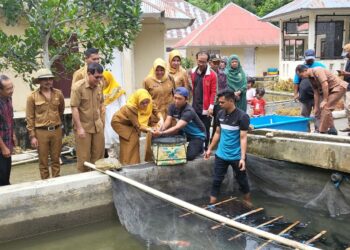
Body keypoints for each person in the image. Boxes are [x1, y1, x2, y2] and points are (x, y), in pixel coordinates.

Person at [204, 89, 251, 206]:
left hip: (236, 156)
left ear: (231, 101)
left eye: (222, 102)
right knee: (216, 180)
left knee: (242, 181)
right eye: (219, 102)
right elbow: (217, 133)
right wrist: (210, 149)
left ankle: (247, 200)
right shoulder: (220, 114)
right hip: (221, 154)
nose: (219, 105)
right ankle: (212, 203)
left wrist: (242, 158)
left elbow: (243, 138)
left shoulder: (242, 116)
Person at [26, 69, 65, 179]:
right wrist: (32, 136)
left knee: (56, 159)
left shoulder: (59, 93)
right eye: (44, 79)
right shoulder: (32, 97)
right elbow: (30, 117)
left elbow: (60, 110)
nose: (48, 81)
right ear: (39, 81)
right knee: (43, 161)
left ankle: (56, 180)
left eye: (50, 79)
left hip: (56, 130)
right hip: (41, 132)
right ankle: (45, 182)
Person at [153, 87, 206, 160]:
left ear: (186, 99)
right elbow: (168, 122)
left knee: (189, 157)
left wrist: (161, 133)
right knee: (163, 139)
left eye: (179, 99)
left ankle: (201, 149)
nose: (176, 101)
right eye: (175, 98)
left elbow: (176, 127)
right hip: (184, 132)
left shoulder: (189, 111)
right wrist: (160, 129)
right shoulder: (172, 107)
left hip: (197, 136)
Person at [111, 89, 162, 165]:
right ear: (137, 101)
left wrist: (161, 119)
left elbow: (156, 111)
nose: (145, 105)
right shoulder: (131, 107)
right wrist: (151, 129)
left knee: (135, 140)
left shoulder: (149, 101)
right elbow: (137, 125)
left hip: (131, 122)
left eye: (146, 102)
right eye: (142, 103)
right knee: (130, 142)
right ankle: (127, 165)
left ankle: (134, 163)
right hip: (121, 123)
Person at [70, 63, 105, 172]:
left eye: (101, 77)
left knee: (99, 157)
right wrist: (79, 128)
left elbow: (101, 103)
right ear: (89, 74)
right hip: (83, 127)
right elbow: (74, 108)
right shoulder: (78, 87)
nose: (99, 79)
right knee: (84, 159)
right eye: (96, 77)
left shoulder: (100, 86)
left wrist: (102, 122)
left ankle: (97, 180)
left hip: (97, 126)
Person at [296, 65, 348, 134]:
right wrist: (316, 107)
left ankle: (322, 132)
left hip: (339, 87)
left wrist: (325, 100)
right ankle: (332, 130)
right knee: (322, 109)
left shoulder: (317, 70)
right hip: (331, 90)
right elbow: (316, 93)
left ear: (305, 70)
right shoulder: (310, 78)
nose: (301, 78)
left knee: (326, 108)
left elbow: (325, 85)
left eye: (301, 75)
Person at [143, 58, 173, 161]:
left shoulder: (170, 78)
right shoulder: (148, 80)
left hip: (169, 113)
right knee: (153, 137)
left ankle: (167, 158)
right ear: (154, 69)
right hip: (155, 114)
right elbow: (144, 97)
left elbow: (175, 93)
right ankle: (151, 159)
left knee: (168, 136)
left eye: (162, 70)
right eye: (157, 70)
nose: (159, 72)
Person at [293, 49, 326, 131]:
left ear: (314, 58)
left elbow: (325, 81)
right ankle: (305, 130)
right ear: (305, 58)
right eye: (308, 59)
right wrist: (295, 94)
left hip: (318, 95)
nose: (309, 60)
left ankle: (318, 130)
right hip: (305, 97)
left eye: (311, 59)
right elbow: (296, 82)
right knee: (304, 115)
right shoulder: (300, 68)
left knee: (318, 113)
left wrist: (325, 97)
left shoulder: (320, 66)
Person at [190, 51, 217, 150]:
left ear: (208, 62)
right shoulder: (192, 72)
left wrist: (211, 106)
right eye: (199, 61)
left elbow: (214, 92)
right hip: (194, 106)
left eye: (203, 62)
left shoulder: (212, 75)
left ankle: (206, 149)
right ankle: (198, 148)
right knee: (195, 128)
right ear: (196, 60)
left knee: (205, 128)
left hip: (206, 108)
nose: (201, 64)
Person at [102, 71, 126, 157]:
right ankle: (112, 159)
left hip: (116, 116)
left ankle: (122, 159)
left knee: (117, 137)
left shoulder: (117, 89)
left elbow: (123, 105)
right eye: (101, 78)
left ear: (109, 79)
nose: (102, 81)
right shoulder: (100, 90)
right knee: (107, 138)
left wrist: (122, 117)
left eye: (104, 79)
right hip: (105, 118)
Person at [0, 75, 15, 186]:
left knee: (6, 174)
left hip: (7, 142)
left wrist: (13, 135)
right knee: (2, 179)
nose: (11, 90)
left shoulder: (8, 98)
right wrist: (3, 147)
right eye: (8, 89)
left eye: (12, 87)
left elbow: (10, 118)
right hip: (1, 146)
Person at [209, 54, 227, 143]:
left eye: (218, 62)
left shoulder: (223, 75)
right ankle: (205, 142)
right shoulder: (206, 74)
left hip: (218, 102)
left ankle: (215, 141)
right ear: (210, 63)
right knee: (207, 122)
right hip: (208, 102)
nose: (216, 64)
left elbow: (224, 88)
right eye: (214, 62)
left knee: (218, 122)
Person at [338, 43, 350, 134]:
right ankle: (349, 126)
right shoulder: (348, 60)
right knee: (347, 108)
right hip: (347, 86)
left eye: (346, 52)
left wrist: (345, 73)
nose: (345, 54)